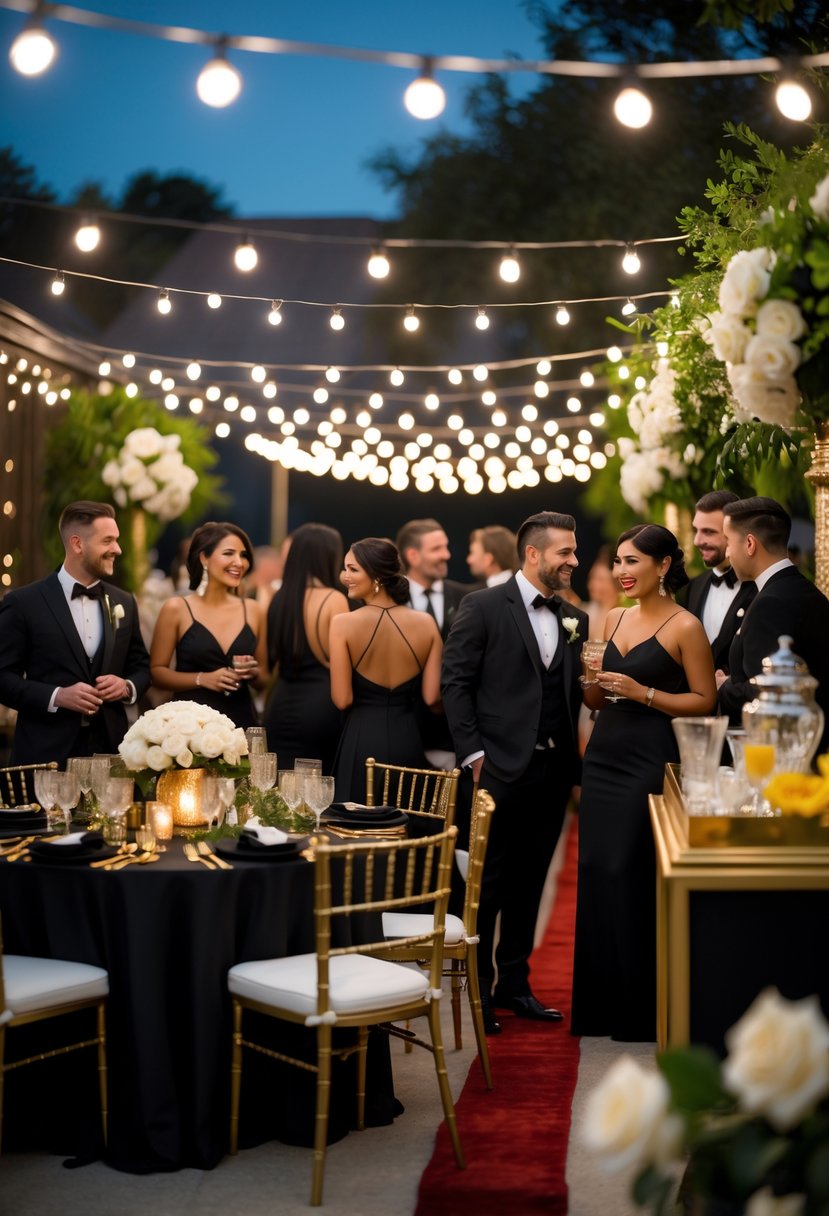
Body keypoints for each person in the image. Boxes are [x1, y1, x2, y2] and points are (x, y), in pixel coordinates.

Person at [441, 510, 588, 1034]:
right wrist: (474, 755)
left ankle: (515, 986)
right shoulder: (482, 606)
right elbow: (454, 684)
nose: (573, 560)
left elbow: (570, 694)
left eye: (574, 551)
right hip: (496, 769)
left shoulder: (576, 618)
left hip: (551, 770)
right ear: (533, 554)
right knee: (488, 883)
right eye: (564, 552)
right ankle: (478, 991)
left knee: (532, 880)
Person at [572, 524, 717, 1042]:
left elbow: (705, 700)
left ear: (662, 566)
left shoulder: (685, 627)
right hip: (605, 756)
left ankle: (639, 1009)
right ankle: (600, 1005)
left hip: (651, 759)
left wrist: (643, 692)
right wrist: (589, 679)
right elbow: (593, 703)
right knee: (594, 869)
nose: (621, 573)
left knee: (629, 871)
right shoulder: (611, 617)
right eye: (618, 562)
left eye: (633, 562)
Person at [0, 500, 150, 767]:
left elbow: (142, 668)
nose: (117, 549)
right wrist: (57, 695)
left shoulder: (124, 602)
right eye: (108, 541)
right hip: (45, 758)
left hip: (110, 755)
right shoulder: (24, 603)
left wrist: (126, 686)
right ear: (77, 544)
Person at [330, 537, 442, 802]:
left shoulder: (342, 624)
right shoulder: (426, 623)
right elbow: (432, 698)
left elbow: (342, 698)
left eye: (353, 569)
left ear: (377, 575)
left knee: (357, 829)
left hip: (361, 742)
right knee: (406, 826)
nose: (345, 577)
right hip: (408, 740)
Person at [718, 497, 829, 750]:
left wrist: (723, 687)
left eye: (728, 542)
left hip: (786, 752)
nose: (727, 553)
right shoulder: (803, 590)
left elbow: (770, 692)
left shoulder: (770, 603)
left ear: (749, 544)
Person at [149, 521, 267, 729]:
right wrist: (202, 679)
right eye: (229, 553)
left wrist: (253, 673)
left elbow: (264, 679)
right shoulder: (177, 608)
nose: (239, 562)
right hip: (189, 727)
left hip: (241, 723)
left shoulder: (254, 610)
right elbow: (156, 672)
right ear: (204, 557)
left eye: (244, 555)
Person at [263, 523, 349, 772]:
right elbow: (341, 661)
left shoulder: (279, 598)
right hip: (320, 708)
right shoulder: (334, 599)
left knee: (279, 792)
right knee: (315, 795)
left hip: (278, 706)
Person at [396, 517, 475, 767]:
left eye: (446, 547)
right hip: (403, 725)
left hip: (451, 732)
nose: (446, 555)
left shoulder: (467, 598)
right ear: (412, 555)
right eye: (436, 549)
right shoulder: (389, 600)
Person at [686, 489, 757, 672]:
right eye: (696, 530)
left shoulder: (761, 587)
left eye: (708, 532)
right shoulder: (694, 587)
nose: (697, 540)